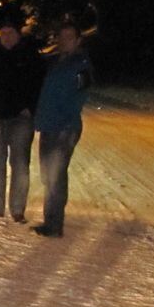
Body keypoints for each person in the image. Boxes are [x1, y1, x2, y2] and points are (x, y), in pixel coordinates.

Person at [0, 11, 45, 222]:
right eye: (2, 33)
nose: (6, 37)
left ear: (18, 33)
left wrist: (30, 108)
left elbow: (40, 85)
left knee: (20, 164)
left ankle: (18, 209)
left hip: (21, 120)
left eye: (10, 32)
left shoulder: (30, 57)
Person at [32, 21, 93, 237]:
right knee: (47, 176)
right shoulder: (56, 62)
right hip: (48, 125)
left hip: (64, 128)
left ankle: (55, 224)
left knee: (56, 176)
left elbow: (78, 98)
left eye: (69, 37)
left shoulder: (81, 65)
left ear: (77, 40)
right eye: (61, 37)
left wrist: (64, 121)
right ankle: (50, 220)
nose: (64, 41)